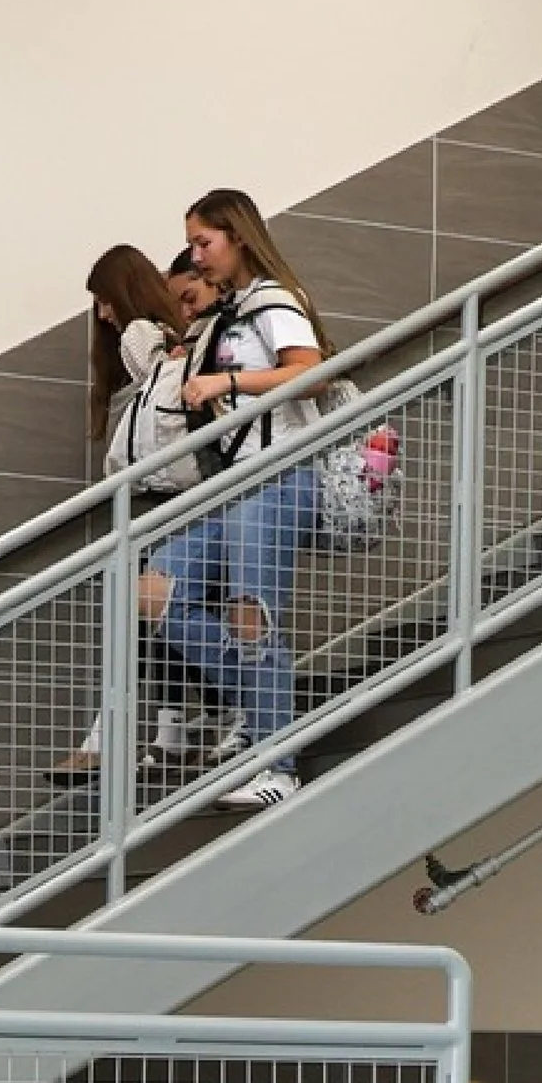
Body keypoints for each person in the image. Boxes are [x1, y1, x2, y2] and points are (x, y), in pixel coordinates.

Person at [156, 187, 333, 811]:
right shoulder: (230, 309)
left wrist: (226, 380)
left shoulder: (275, 299)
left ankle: (278, 765)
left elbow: (311, 370)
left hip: (278, 473)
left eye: (203, 242)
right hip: (237, 483)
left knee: (252, 615)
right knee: (156, 590)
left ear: (236, 235)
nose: (195, 255)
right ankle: (262, 707)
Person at [50, 246, 221, 781]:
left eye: (105, 300)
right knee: (159, 621)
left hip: (161, 502)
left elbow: (162, 382)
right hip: (167, 500)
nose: (103, 314)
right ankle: (171, 731)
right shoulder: (169, 339)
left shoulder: (143, 335)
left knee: (143, 620)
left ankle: (112, 736)